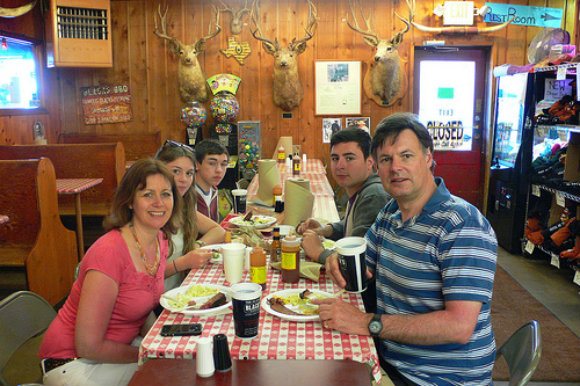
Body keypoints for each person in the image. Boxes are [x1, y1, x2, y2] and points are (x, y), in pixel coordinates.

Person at [316, 113, 498, 385]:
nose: (395, 167)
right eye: (386, 159)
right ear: (376, 166)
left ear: (428, 157)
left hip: (438, 378)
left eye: (406, 156)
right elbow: (365, 264)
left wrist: (368, 322)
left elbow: (459, 327)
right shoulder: (391, 212)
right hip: (391, 358)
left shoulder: (463, 225)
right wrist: (337, 261)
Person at [39, 159, 182, 385]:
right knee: (170, 377)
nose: (159, 203)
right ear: (130, 202)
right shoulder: (109, 253)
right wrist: (149, 354)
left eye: (166, 194)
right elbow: (88, 346)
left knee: (184, 365)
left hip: (118, 350)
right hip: (73, 363)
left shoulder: (160, 240)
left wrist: (161, 345)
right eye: (147, 195)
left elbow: (141, 308)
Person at [297, 127, 389, 311]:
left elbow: (355, 262)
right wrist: (325, 230)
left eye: (349, 158)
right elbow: (351, 227)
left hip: (367, 302)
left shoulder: (373, 195)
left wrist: (318, 252)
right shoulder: (360, 189)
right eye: (335, 158)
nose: (340, 165)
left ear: (370, 162)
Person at [155, 140, 226, 290]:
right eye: (176, 171)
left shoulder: (182, 206)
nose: (184, 179)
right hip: (155, 301)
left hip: (181, 289)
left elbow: (218, 230)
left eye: (189, 173)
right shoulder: (152, 212)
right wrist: (184, 262)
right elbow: (144, 276)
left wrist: (197, 245)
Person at [194, 139, 230, 222]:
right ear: (196, 164)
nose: (219, 170)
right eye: (212, 163)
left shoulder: (213, 190)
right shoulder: (188, 194)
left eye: (223, 164)